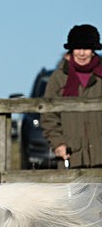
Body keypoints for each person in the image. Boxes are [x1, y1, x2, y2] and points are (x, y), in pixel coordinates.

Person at [41, 24, 102, 168]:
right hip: (72, 157)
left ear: (93, 50)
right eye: (78, 48)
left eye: (86, 48)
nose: (82, 53)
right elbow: (48, 116)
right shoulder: (58, 78)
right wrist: (58, 143)